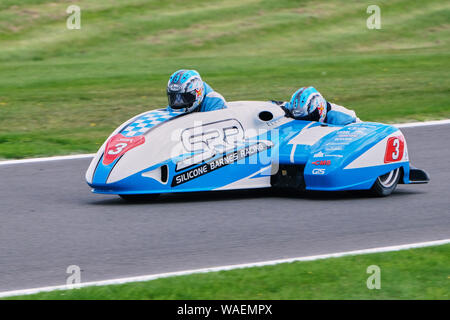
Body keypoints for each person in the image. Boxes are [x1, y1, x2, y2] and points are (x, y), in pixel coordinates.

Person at [275, 86, 360, 125]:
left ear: (319, 110)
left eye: (307, 119)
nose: (303, 122)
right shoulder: (290, 108)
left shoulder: (345, 119)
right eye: (299, 119)